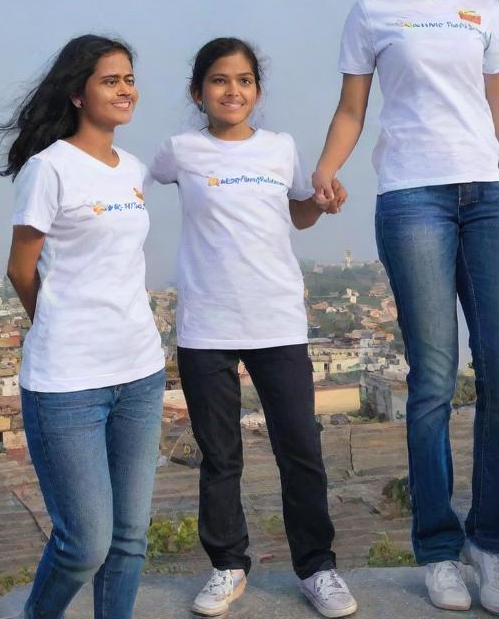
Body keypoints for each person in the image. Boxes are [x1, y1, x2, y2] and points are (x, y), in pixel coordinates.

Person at [313, 0, 499, 615]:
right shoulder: (372, 11)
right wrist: (325, 168)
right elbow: (352, 107)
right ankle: (439, 548)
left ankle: (492, 547)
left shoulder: (484, 11)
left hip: (492, 198)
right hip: (413, 199)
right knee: (433, 380)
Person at [149, 37, 357, 619]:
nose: (232, 90)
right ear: (198, 92)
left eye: (243, 80)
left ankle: (317, 568)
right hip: (206, 325)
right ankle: (227, 565)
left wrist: (323, 202)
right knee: (221, 456)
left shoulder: (280, 148)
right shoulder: (180, 150)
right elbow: (128, 181)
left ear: (257, 91)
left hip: (277, 318)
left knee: (301, 450)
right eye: (219, 80)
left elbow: (297, 213)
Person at [0, 35, 166, 619]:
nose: (125, 90)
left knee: (129, 537)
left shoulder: (134, 169)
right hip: (67, 384)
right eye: (109, 80)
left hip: (140, 374)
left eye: (128, 79)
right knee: (83, 543)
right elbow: (21, 268)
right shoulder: (49, 170)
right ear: (76, 93)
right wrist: (59, 325)